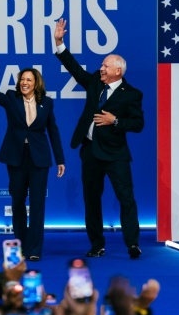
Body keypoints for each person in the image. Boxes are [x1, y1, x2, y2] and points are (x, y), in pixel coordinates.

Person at [53, 18, 144, 259]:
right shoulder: (95, 82)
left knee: (126, 199)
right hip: (91, 151)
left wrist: (115, 120)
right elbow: (75, 69)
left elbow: (138, 124)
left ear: (118, 71)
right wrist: (59, 42)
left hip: (115, 155)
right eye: (101, 65)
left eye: (105, 66)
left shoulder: (132, 94)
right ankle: (97, 245)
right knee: (91, 200)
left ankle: (133, 244)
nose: (101, 68)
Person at [0, 51, 66, 261]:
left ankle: (34, 249)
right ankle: (20, 246)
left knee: (38, 204)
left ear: (36, 83)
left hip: (40, 158)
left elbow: (53, 130)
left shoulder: (47, 102)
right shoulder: (11, 98)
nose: (24, 83)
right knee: (18, 200)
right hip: (16, 156)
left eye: (29, 80)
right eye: (22, 80)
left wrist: (60, 159)